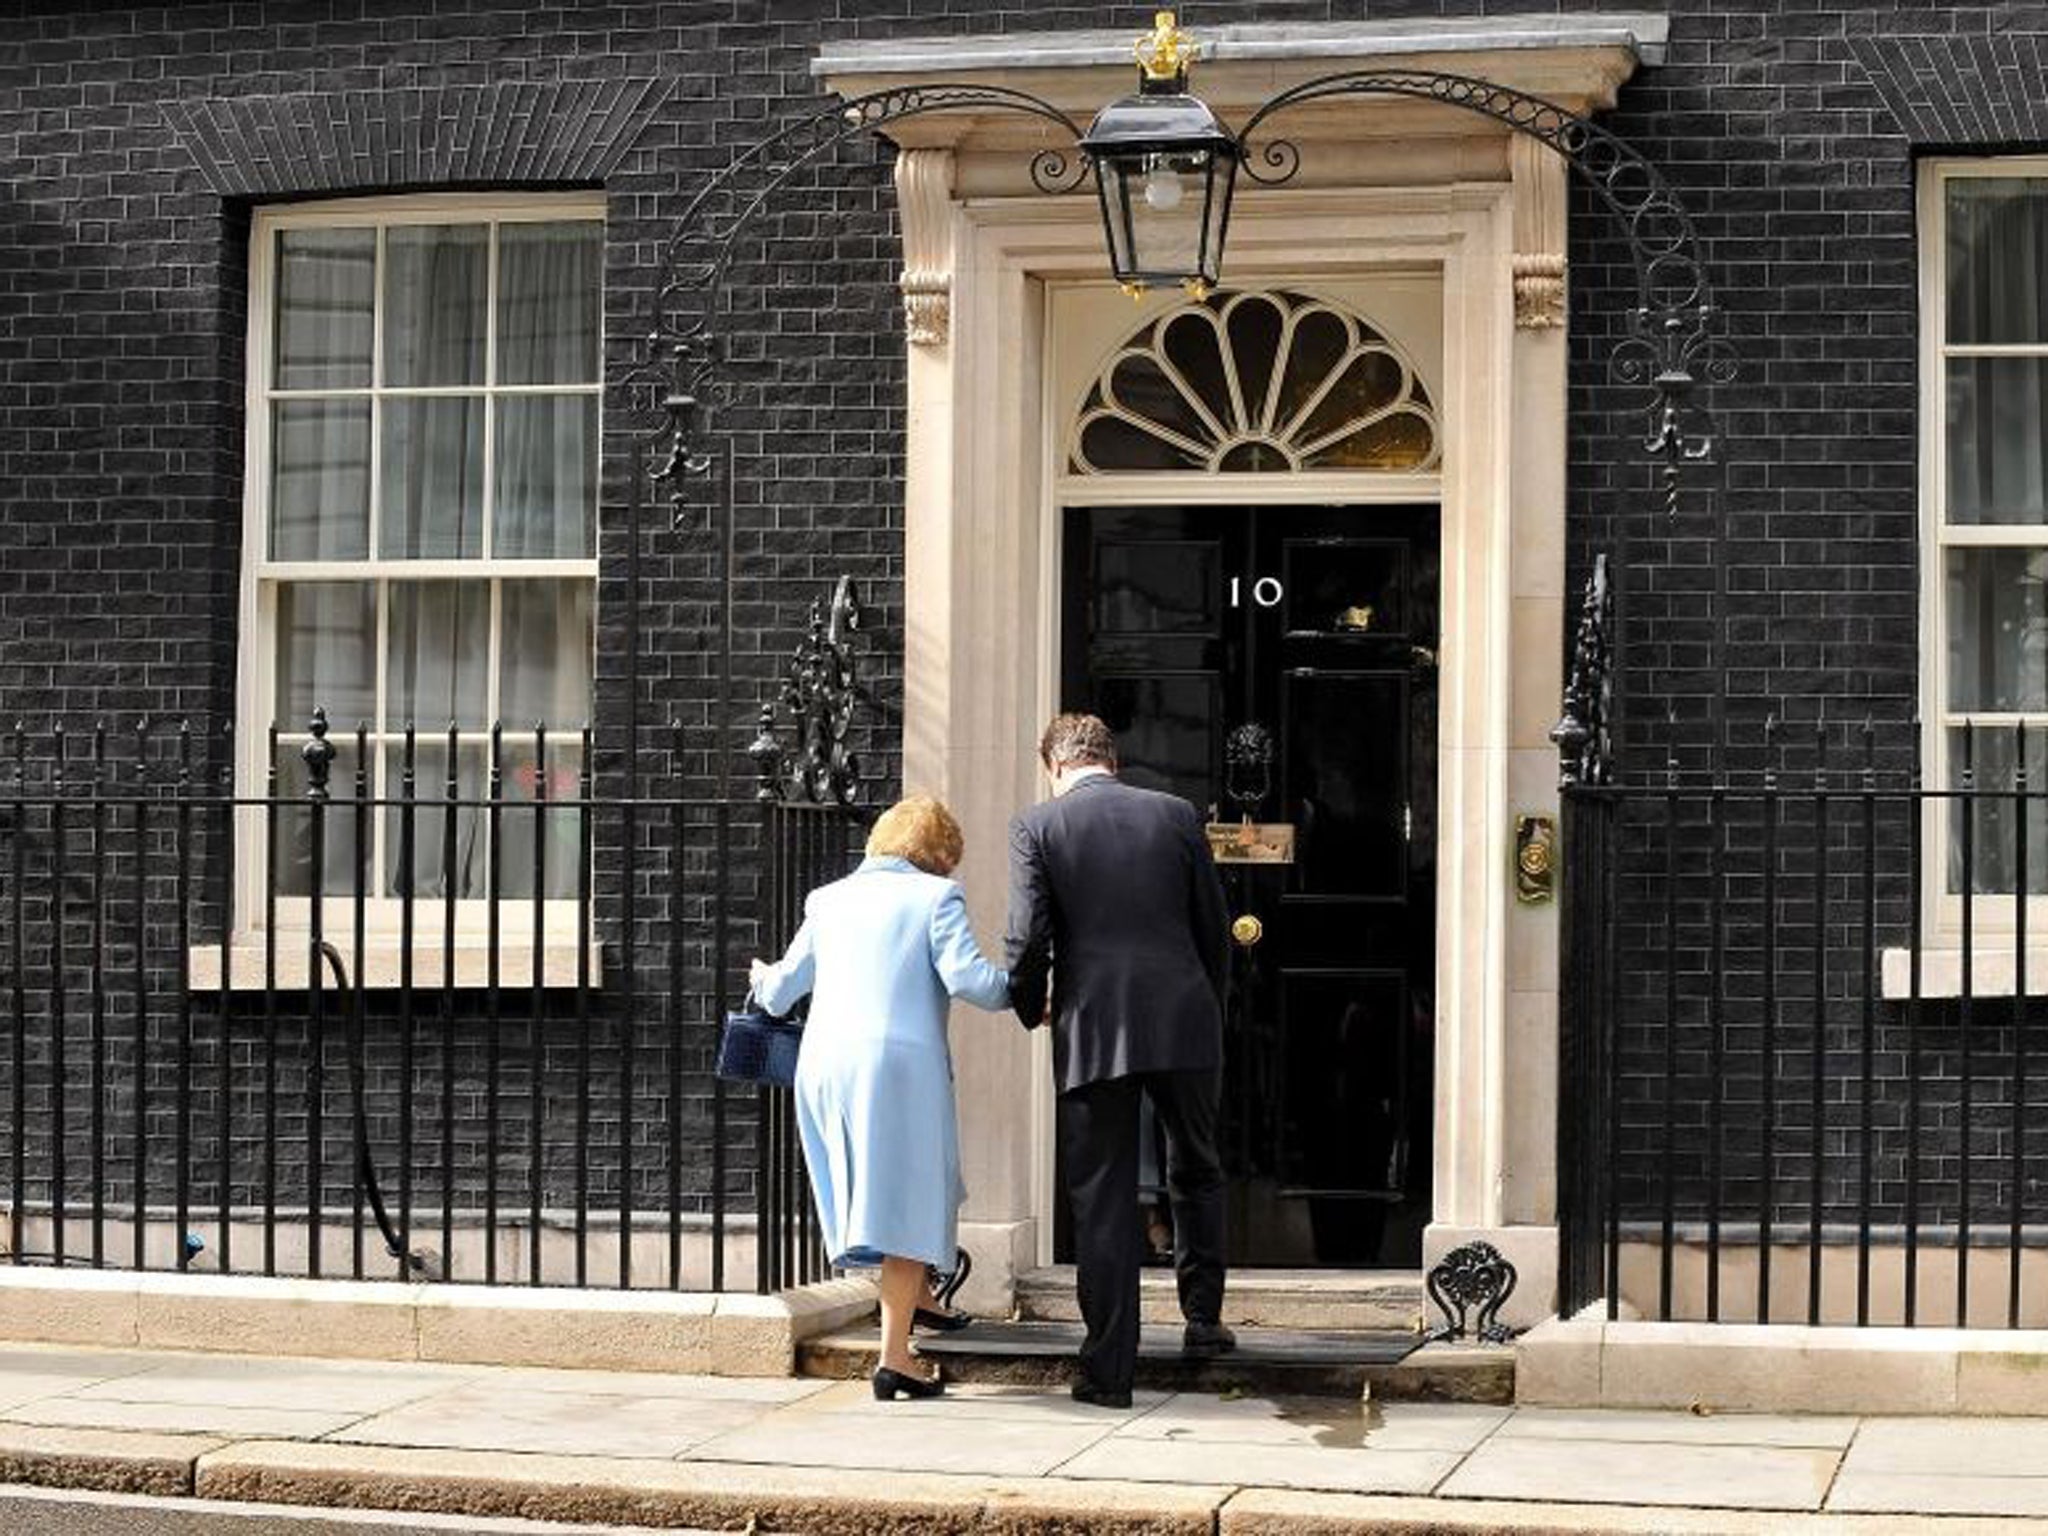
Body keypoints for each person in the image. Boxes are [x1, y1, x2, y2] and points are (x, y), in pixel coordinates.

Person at [1004, 713, 1235, 1409]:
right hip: (1184, 1016)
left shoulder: (1038, 827)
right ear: (1110, 758)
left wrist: (1029, 1004)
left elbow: (1026, 938)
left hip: (1094, 1024)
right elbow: (1212, 927)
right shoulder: (1175, 814)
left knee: (1101, 1196)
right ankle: (1202, 1321)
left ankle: (1109, 1372)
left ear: (1054, 763)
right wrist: (1210, 1008)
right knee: (1195, 1165)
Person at [750, 794, 1010, 1402]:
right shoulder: (934, 897)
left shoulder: (828, 898)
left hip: (824, 1065)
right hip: (896, 1067)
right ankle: (896, 1359)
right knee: (906, 1203)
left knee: (919, 1182)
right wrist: (1026, 994)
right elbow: (970, 979)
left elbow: (782, 989)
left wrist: (760, 977)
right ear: (937, 854)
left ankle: (920, 1295)